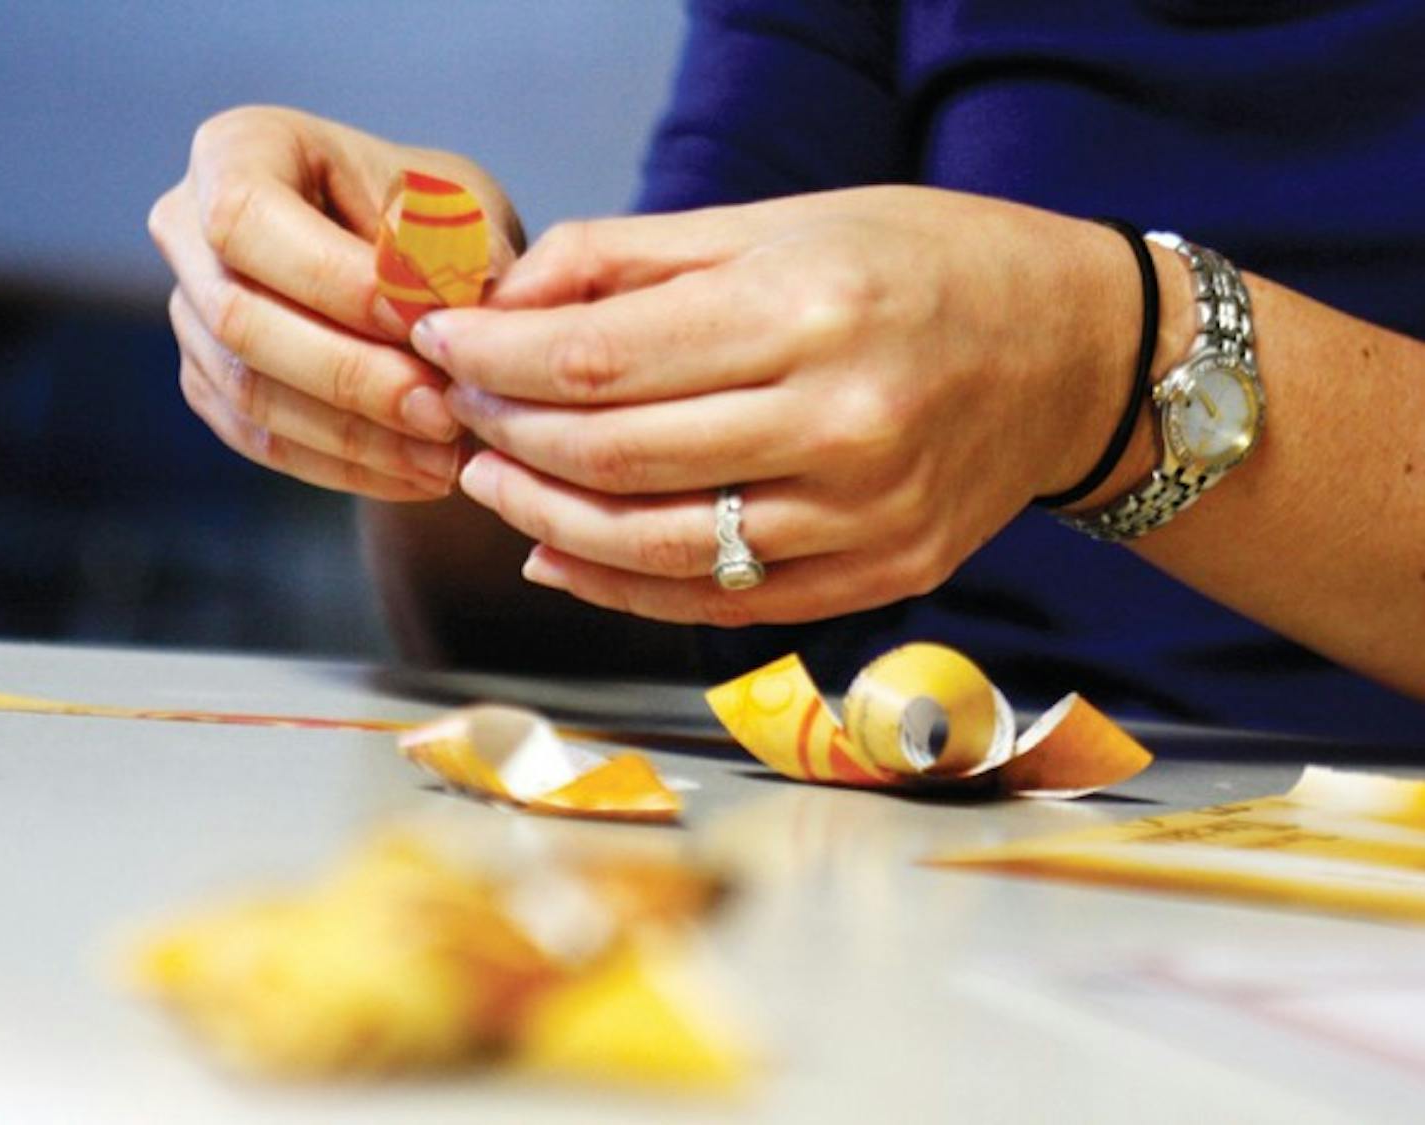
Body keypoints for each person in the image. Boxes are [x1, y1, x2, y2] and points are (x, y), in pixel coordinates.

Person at [148, 1, 1425, 743]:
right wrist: (434, 357)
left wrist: (1113, 366)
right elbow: (614, 599)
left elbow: (1067, 357)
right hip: (934, 850)